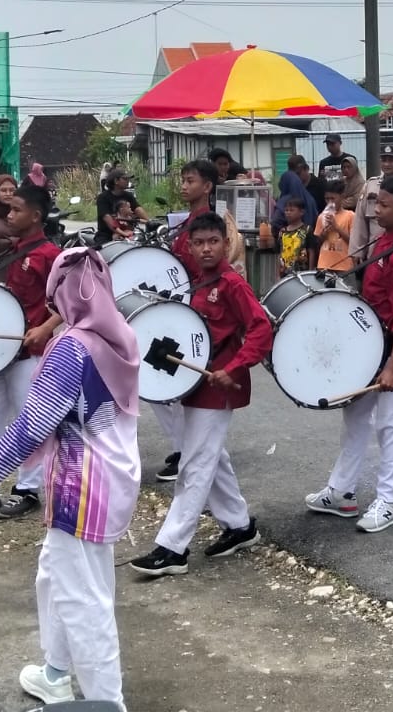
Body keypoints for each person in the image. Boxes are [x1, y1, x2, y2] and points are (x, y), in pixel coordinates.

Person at [0, 247, 141, 709]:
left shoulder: (72, 348)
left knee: (83, 600)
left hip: (82, 486)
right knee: (55, 576)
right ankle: (55, 674)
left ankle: (107, 701)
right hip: (109, 476)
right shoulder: (117, 335)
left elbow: (29, 428)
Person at [129, 213, 273, 577]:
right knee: (211, 457)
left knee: (194, 464)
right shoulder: (196, 284)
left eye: (213, 241)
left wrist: (235, 367)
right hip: (196, 385)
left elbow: (260, 327)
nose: (206, 248)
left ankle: (172, 548)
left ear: (226, 244)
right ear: (189, 247)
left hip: (217, 386)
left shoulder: (231, 284)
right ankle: (240, 526)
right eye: (199, 243)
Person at [305, 174, 393, 533]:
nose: (375, 209)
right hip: (373, 349)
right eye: (375, 202)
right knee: (355, 419)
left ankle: (390, 500)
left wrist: (392, 367)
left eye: (384, 204)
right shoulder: (381, 244)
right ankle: (341, 492)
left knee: (390, 426)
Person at [0, 183, 62, 521]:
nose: (9, 214)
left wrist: (45, 329)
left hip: (29, 353)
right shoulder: (11, 251)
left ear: (35, 216)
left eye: (16, 210)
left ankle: (28, 490)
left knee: (30, 423)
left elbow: (72, 301)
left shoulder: (51, 255)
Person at [153, 159, 243, 483]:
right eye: (183, 180)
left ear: (208, 186)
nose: (184, 185)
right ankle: (238, 523)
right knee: (160, 384)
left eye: (191, 180)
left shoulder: (210, 226)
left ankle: (183, 451)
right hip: (184, 311)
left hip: (201, 321)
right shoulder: (182, 228)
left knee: (168, 385)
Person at [315, 180, 357, 272]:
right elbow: (317, 243)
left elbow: (354, 243)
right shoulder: (322, 216)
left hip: (344, 266)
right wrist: (324, 234)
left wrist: (337, 228)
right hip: (324, 265)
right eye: (327, 199)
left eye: (333, 198)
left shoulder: (350, 216)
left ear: (342, 197)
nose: (330, 202)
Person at [94, 168, 141, 247]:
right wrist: (124, 234)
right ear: (116, 181)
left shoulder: (129, 196)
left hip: (128, 233)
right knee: (103, 253)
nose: (128, 181)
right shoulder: (103, 198)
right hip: (107, 235)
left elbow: (138, 210)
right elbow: (109, 220)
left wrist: (150, 222)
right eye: (125, 179)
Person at [278, 154, 318, 227]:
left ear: (306, 169)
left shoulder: (319, 185)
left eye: (298, 174)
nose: (297, 178)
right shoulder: (287, 196)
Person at [276, 195, 311, 276]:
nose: (288, 213)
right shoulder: (282, 232)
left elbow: (311, 251)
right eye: (286, 210)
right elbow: (279, 253)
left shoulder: (307, 230)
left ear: (301, 212)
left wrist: (310, 271)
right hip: (284, 273)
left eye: (291, 210)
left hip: (302, 273)